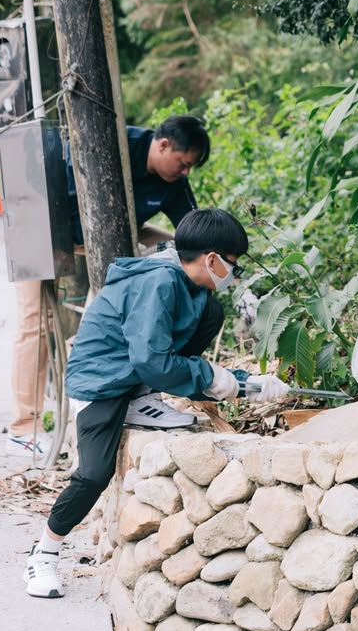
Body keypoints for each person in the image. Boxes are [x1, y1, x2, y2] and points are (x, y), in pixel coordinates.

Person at [22, 209, 289, 598]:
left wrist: (246, 384)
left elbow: (172, 360)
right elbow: (153, 360)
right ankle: (44, 553)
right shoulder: (159, 282)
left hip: (133, 378)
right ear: (211, 259)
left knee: (210, 311)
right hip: (101, 381)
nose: (234, 273)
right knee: (94, 474)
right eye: (233, 264)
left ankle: (142, 398)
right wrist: (220, 380)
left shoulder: (194, 287)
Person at [6, 115, 217, 456]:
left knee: (184, 254)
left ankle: (120, 385)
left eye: (190, 166)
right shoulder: (109, 144)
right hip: (40, 221)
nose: (185, 172)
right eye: (182, 163)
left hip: (114, 233)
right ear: (162, 145)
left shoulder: (172, 179)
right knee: (38, 321)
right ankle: (21, 429)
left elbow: (192, 232)